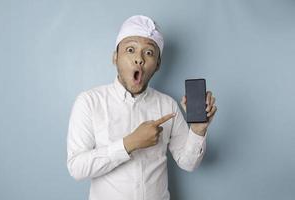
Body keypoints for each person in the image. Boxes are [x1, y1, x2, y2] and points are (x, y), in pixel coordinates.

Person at [67, 15, 217, 200]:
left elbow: (188, 163)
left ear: (158, 64)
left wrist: (198, 130)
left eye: (149, 52)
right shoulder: (89, 102)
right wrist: (129, 143)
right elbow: (76, 167)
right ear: (115, 57)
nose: (139, 59)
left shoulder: (167, 105)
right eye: (130, 50)